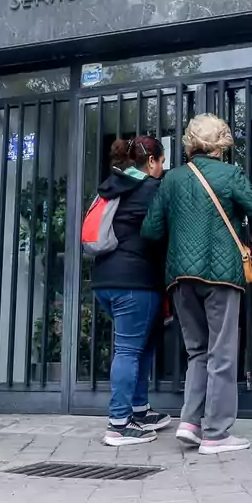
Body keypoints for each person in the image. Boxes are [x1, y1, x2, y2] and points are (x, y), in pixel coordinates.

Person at [142, 114, 252, 455]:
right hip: (221, 277)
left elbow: (151, 231)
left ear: (189, 142)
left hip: (180, 278)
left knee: (197, 351)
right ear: (222, 143)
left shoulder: (171, 179)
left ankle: (190, 422)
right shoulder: (230, 175)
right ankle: (215, 433)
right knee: (222, 353)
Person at [91, 136, 170, 447]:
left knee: (142, 344)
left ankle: (139, 409)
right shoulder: (152, 189)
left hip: (105, 280)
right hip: (134, 283)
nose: (162, 168)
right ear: (151, 161)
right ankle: (118, 424)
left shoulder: (114, 185)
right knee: (128, 350)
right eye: (162, 162)